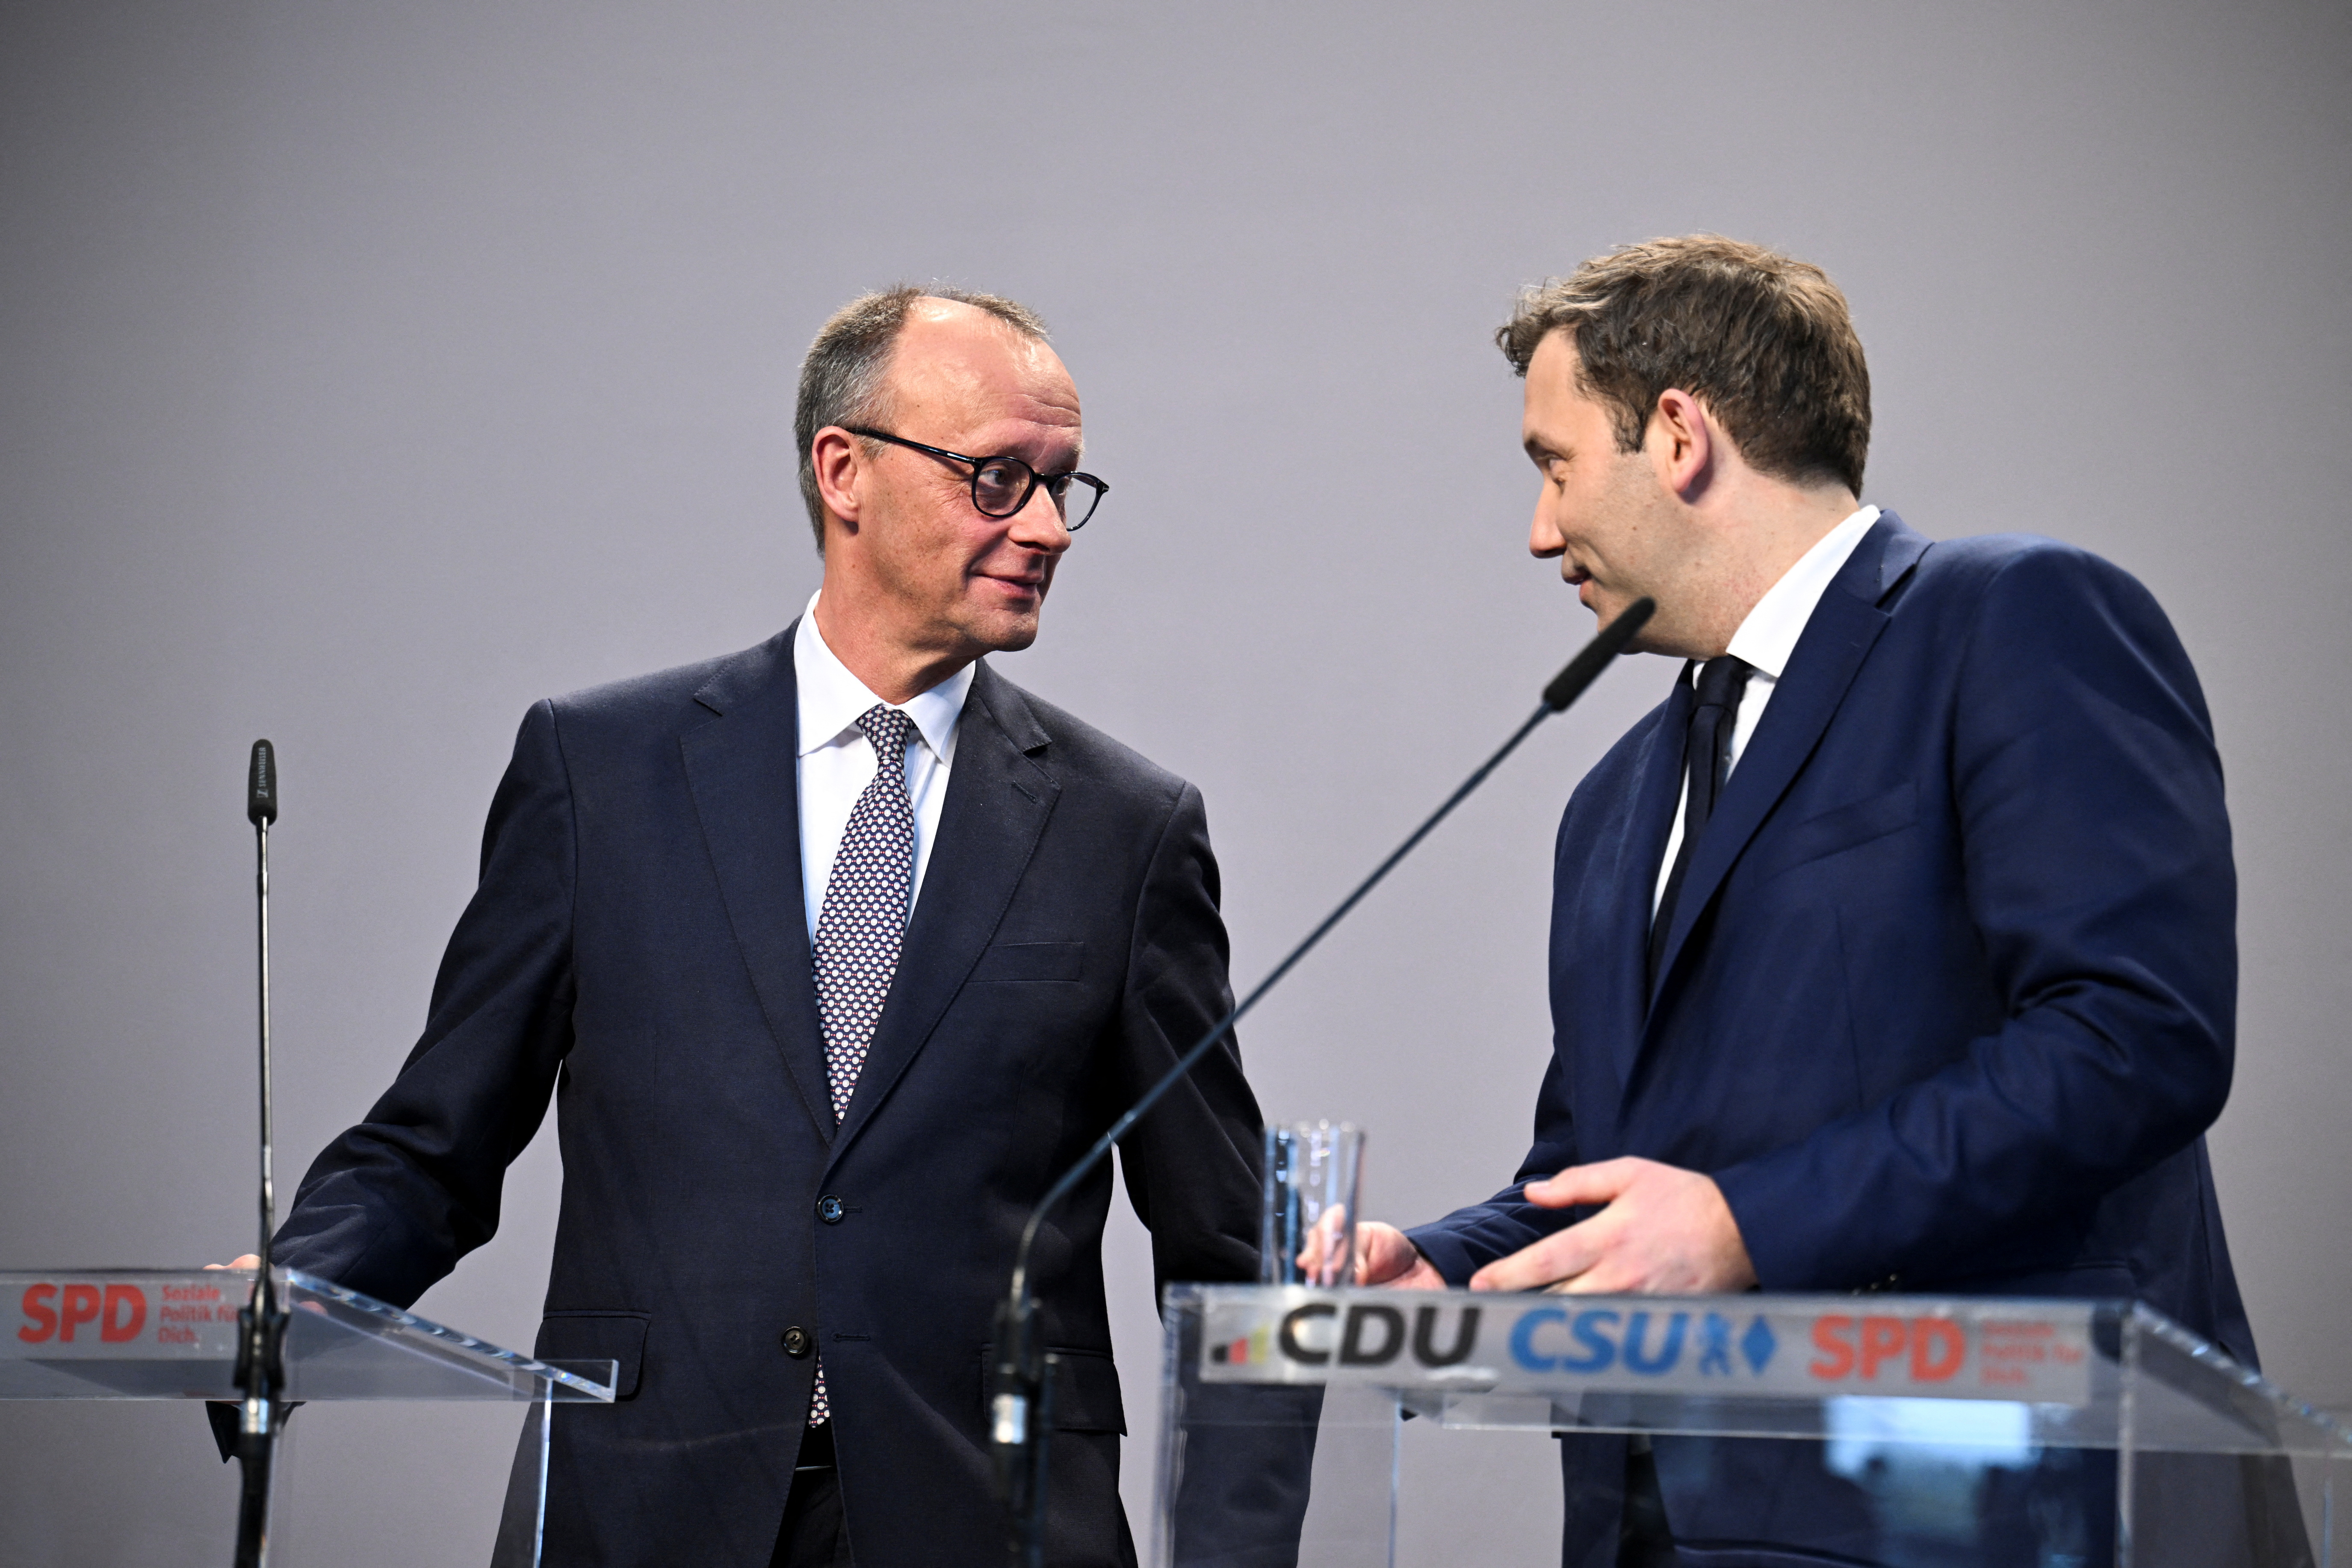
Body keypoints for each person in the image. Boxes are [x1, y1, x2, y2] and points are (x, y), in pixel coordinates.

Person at [234, 287, 1268, 1567]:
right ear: (846, 469)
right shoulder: (600, 771)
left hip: (988, 1524)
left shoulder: (1129, 827)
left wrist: (1235, 1546)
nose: (1048, 526)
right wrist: (286, 1300)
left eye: (1065, 484)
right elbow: (437, 1140)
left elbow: (1221, 1249)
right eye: (1000, 478)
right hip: (646, 1506)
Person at [1351, 236, 2281, 1565]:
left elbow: (2132, 1038)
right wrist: (1446, 1269)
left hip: (1993, 1510)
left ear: (1677, 435)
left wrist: (1747, 1228)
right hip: (1670, 1522)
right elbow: (1604, 1163)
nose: (1540, 529)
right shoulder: (1612, 801)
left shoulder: (2012, 620)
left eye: (1554, 466)